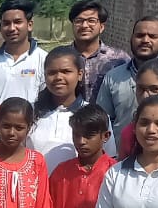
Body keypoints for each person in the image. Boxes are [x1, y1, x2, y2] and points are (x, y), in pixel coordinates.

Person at [29, 47, 117, 175]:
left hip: (78, 186)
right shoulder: (29, 113)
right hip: (35, 185)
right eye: (52, 72)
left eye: (66, 71)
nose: (58, 77)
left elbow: (108, 160)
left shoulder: (96, 116)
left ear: (80, 74)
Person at [52, 0, 129, 100]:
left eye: (91, 21)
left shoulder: (119, 59)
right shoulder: (61, 57)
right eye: (79, 21)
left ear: (101, 27)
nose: (84, 25)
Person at [0, 0, 47, 106]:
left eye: (17, 22)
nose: (12, 28)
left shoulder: (44, 60)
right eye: (6, 23)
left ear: (29, 25)